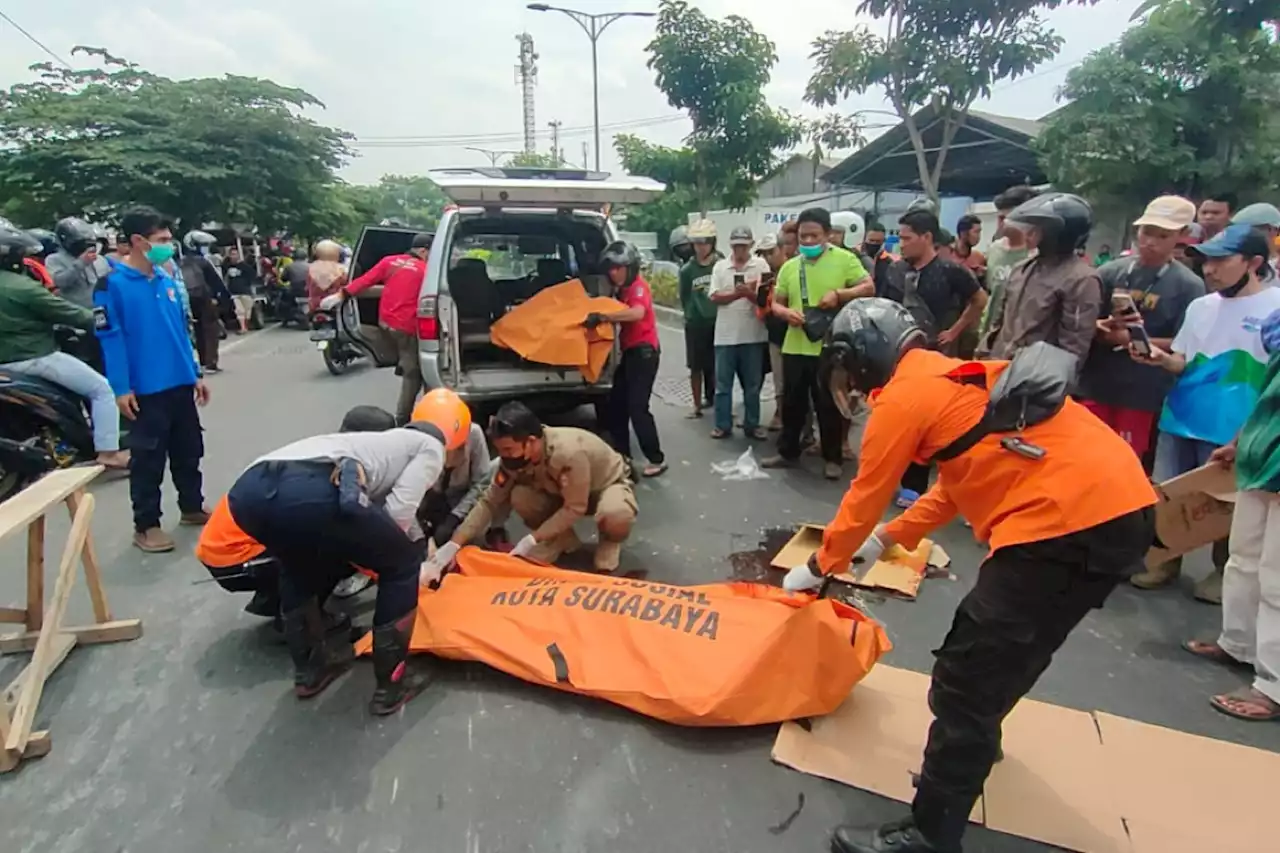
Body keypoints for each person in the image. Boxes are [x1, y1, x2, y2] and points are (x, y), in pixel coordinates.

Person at [781, 298, 1157, 853]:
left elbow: (863, 499)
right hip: (1120, 513)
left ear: (863, 357)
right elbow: (958, 483)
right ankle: (973, 746)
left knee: (968, 673)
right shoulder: (956, 378)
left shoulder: (904, 400)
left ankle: (932, 833)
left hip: (1059, 524)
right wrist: (889, 538)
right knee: (1020, 648)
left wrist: (819, 565)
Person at [225, 391, 469, 715]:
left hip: (248, 495)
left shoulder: (375, 442)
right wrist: (408, 561)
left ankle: (311, 672)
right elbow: (398, 513)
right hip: (310, 491)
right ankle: (391, 687)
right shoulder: (431, 448)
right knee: (402, 565)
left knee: (299, 565)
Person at [1128, 223, 1280, 602]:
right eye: (1206, 261)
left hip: (1235, 425)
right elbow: (1184, 360)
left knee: (1225, 506)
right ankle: (1163, 559)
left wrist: (1244, 435)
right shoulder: (1200, 307)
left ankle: (1221, 571)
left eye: (1220, 261)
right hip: (1181, 415)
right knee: (1167, 492)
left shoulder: (1274, 309)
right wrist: (1160, 359)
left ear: (1253, 262)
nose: (1209, 270)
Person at [197, 405, 398, 621]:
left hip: (221, 547)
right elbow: (360, 538)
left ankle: (272, 598)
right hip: (235, 558)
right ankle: (298, 619)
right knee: (339, 548)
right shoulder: (339, 476)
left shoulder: (322, 450)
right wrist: (400, 574)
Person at [95, 206, 211, 553]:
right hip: (145, 389)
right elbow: (110, 338)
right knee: (148, 460)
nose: (168, 245)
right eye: (161, 239)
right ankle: (146, 525)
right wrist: (120, 387)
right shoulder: (111, 285)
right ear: (137, 241)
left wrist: (195, 374)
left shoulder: (165, 279)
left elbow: (181, 331)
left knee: (189, 450)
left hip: (179, 382)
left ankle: (191, 506)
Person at [1183, 308, 1280, 721]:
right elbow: (1268, 391)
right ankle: (1238, 641)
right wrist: (1242, 441)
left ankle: (1274, 685)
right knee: (1243, 557)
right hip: (1262, 457)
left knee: (1278, 576)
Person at [435, 401, 638, 573]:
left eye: (508, 449)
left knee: (615, 513)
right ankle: (560, 540)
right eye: (500, 449)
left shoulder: (567, 454)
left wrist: (533, 538)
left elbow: (575, 507)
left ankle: (610, 541)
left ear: (531, 442)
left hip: (604, 486)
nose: (503, 455)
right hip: (563, 492)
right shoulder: (514, 460)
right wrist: (455, 542)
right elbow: (489, 501)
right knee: (521, 496)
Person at [1076, 196, 1205, 465]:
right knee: (1084, 457)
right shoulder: (1109, 272)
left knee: (1124, 463)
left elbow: (1185, 343)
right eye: (1146, 232)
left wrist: (1135, 340)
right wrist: (1098, 327)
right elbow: (1081, 318)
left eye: (1162, 235)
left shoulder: (1189, 285)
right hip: (1096, 384)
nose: (1150, 242)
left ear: (1181, 236)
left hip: (1142, 393)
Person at [880, 208, 988, 507]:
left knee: (926, 423)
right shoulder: (895, 271)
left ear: (927, 237)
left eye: (907, 238)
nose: (901, 244)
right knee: (896, 418)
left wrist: (954, 331)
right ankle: (891, 476)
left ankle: (916, 485)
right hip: (899, 358)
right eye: (899, 238)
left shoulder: (951, 271)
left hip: (935, 358)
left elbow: (980, 299)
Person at [0, 226, 129, 471]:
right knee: (101, 389)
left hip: (8, 361)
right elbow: (69, 313)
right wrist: (111, 323)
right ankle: (109, 452)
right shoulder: (22, 286)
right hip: (32, 355)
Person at [762, 207, 874, 480]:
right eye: (803, 236)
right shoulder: (790, 266)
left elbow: (868, 287)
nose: (808, 241)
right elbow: (776, 303)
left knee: (829, 404)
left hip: (830, 347)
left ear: (828, 234)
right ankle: (788, 452)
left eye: (814, 235)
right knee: (792, 403)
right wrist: (785, 313)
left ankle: (833, 458)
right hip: (795, 345)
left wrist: (839, 294)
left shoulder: (845, 260)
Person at [321, 232, 433, 425]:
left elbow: (365, 280)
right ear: (424, 251)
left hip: (386, 322)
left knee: (406, 356)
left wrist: (341, 296)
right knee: (413, 374)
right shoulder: (426, 270)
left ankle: (402, 362)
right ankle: (402, 419)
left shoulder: (389, 261)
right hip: (407, 326)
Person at [988, 193, 1101, 366]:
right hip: (997, 367)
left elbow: (1073, 349)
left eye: (1038, 228)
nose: (1028, 233)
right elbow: (998, 324)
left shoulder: (1081, 279)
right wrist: (983, 356)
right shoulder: (1022, 269)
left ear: (1059, 233)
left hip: (1034, 379)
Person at [586, 241, 667, 478]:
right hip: (631, 353)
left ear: (630, 267)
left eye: (618, 268)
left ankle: (656, 458)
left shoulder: (638, 288)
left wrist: (604, 316)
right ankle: (622, 456)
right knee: (617, 404)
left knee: (637, 408)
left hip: (644, 353)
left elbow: (637, 313)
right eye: (611, 268)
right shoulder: (620, 290)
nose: (614, 272)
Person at [708, 226, 770, 440]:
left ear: (751, 245)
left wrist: (749, 294)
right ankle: (722, 425)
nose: (740, 250)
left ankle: (752, 424)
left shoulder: (760, 265)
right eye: (736, 246)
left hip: (753, 335)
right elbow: (714, 296)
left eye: (744, 246)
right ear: (731, 246)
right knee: (723, 386)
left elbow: (765, 299)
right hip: (725, 336)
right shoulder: (720, 267)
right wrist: (737, 293)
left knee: (752, 386)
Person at [977, 185, 1039, 352]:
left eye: (1005, 218)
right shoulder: (994, 249)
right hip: (988, 335)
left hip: (1019, 342)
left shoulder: (1037, 256)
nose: (1000, 223)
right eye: (999, 217)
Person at [678, 219, 719, 418]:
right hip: (696, 324)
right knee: (696, 366)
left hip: (718, 322)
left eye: (704, 242)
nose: (700, 247)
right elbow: (684, 296)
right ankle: (696, 405)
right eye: (696, 243)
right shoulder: (687, 270)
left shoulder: (720, 265)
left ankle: (719, 401)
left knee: (719, 365)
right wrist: (692, 313)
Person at [181, 230, 227, 374]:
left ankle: (202, 361)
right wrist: (224, 298)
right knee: (210, 331)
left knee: (198, 331)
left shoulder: (179, 262)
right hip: (206, 300)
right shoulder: (203, 262)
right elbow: (216, 282)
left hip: (188, 301)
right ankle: (211, 363)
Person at [756, 233, 789, 431]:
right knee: (779, 383)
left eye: (771, 252)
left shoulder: (793, 270)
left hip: (796, 336)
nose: (768, 258)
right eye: (763, 254)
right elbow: (761, 312)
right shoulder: (766, 279)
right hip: (775, 337)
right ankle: (782, 417)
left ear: (782, 249)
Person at [46, 217, 112, 309]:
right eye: (79, 242)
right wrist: (81, 263)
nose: (84, 245)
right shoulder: (54, 259)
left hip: (104, 310)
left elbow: (111, 282)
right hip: (77, 313)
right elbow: (60, 282)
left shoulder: (99, 259)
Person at [221, 246, 257, 334]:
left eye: (235, 254)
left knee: (247, 310)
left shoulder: (245, 266)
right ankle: (243, 327)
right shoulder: (227, 266)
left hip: (245, 291)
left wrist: (247, 285)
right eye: (231, 254)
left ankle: (246, 325)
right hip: (234, 292)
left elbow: (252, 276)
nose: (233, 256)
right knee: (239, 310)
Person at [859, 220, 897, 298]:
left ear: (883, 241)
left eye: (878, 241)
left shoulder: (888, 262)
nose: (874, 244)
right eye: (871, 240)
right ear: (864, 238)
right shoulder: (854, 257)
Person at [953, 214, 985, 281]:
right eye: (976, 232)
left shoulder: (978, 257)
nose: (978, 236)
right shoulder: (948, 256)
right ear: (963, 233)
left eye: (979, 232)